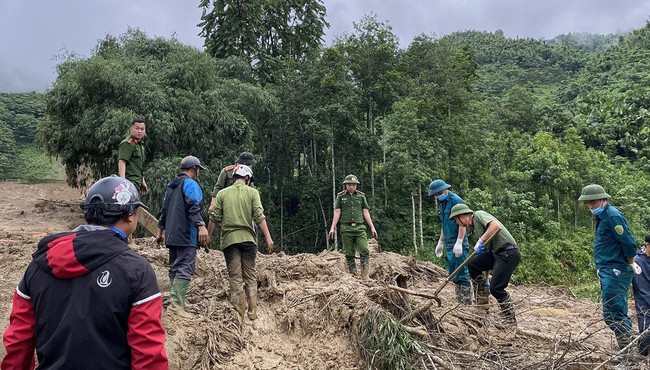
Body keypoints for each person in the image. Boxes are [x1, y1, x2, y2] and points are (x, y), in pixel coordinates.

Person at [1, 176, 168, 370]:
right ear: (130, 214)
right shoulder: (137, 270)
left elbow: (18, 342)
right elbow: (148, 353)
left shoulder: (38, 266)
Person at [578, 184, 641, 356]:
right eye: (588, 204)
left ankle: (630, 357)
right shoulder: (603, 216)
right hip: (608, 269)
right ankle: (627, 352)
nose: (591, 206)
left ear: (603, 199)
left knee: (615, 313)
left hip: (617, 270)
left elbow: (628, 242)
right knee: (611, 313)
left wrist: (630, 262)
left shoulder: (612, 216)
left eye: (594, 202)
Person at [207, 164, 274, 320]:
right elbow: (259, 217)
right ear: (247, 178)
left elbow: (214, 217)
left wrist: (208, 236)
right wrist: (268, 238)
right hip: (249, 241)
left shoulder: (222, 194)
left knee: (235, 276)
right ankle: (252, 311)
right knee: (250, 275)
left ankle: (239, 311)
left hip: (230, 241)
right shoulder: (253, 193)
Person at [449, 204, 521, 327]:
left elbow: (495, 226)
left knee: (496, 288)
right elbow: (487, 255)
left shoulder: (479, 215)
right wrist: (486, 278)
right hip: (496, 254)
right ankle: (483, 295)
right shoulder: (476, 228)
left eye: (456, 219)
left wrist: (481, 241)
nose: (457, 223)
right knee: (473, 264)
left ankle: (510, 318)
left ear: (462, 215)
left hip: (508, 253)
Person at [156, 155, 210, 311]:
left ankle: (175, 303)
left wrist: (160, 232)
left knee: (174, 268)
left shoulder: (171, 186)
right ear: (194, 169)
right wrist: (201, 226)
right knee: (185, 268)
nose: (198, 172)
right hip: (186, 235)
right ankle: (177, 305)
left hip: (171, 235)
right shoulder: (190, 184)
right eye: (198, 170)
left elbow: (164, 211)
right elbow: (193, 207)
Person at [428, 179, 472, 305]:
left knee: (462, 273)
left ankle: (466, 303)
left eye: (439, 193)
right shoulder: (442, 204)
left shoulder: (456, 201)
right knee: (454, 274)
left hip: (458, 242)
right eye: (435, 195)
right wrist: (440, 242)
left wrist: (459, 241)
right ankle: (459, 302)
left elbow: (463, 223)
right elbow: (444, 224)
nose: (437, 196)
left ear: (444, 189)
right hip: (448, 242)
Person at [328, 174, 378, 281]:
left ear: (356, 186)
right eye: (349, 185)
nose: (352, 187)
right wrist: (333, 227)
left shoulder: (361, 196)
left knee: (364, 249)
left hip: (360, 228)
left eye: (354, 185)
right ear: (345, 185)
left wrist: (372, 227)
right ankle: (353, 274)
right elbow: (337, 212)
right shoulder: (340, 197)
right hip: (346, 228)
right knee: (349, 252)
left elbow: (365, 212)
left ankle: (365, 275)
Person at [118, 118, 148, 195]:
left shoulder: (139, 145)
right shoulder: (128, 143)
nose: (139, 131)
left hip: (137, 182)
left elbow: (138, 166)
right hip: (129, 182)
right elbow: (122, 161)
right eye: (137, 128)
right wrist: (123, 182)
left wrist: (142, 181)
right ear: (131, 129)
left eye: (142, 129)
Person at [633, 235, 650, 356]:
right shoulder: (636, 261)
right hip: (643, 300)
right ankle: (642, 356)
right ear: (647, 246)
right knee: (645, 332)